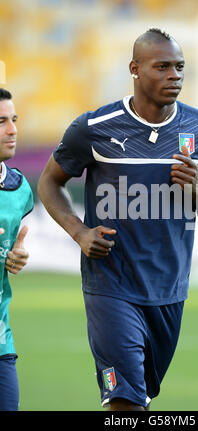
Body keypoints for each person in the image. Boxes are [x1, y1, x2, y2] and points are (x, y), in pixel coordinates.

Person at [37, 28, 198, 411]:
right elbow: (49, 181)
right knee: (124, 401)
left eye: (179, 67)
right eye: (162, 67)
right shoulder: (96, 127)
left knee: (140, 396)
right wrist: (78, 232)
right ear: (135, 69)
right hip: (111, 283)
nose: (174, 75)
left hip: (169, 288)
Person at [0, 88, 34, 411]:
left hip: (1, 341)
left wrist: (16, 256)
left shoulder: (19, 188)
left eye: (14, 120)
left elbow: (13, 247)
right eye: (1, 121)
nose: (12, 130)